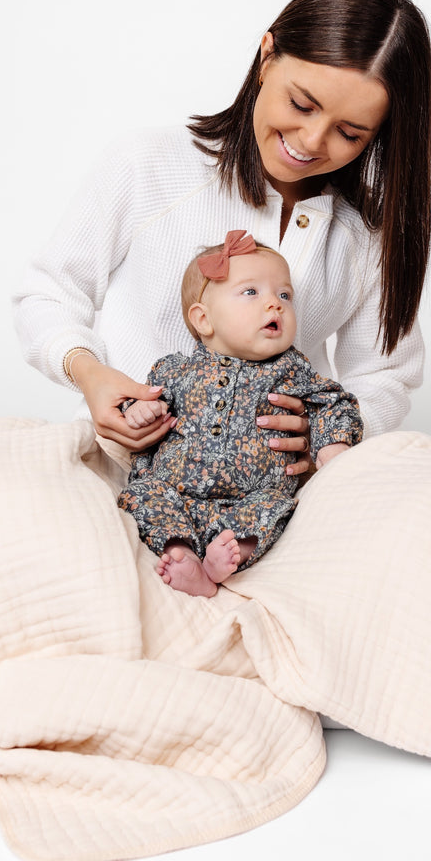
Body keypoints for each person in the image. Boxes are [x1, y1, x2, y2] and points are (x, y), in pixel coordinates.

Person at [13, 0, 431, 479]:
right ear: (266, 55)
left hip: (278, 500)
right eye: (301, 104)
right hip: (124, 470)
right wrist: (90, 374)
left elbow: (384, 373)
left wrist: (332, 435)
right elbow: (48, 293)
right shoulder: (148, 165)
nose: (312, 140)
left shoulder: (363, 238)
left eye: (350, 133)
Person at [116, 231, 364, 596]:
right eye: (252, 292)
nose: (275, 305)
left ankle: (226, 558)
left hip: (251, 498)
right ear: (203, 320)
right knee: (141, 495)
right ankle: (180, 554)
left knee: (276, 509)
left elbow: (334, 402)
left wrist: (332, 445)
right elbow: (143, 398)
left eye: (284, 295)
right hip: (174, 489)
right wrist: (138, 409)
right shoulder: (176, 370)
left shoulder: (291, 370)